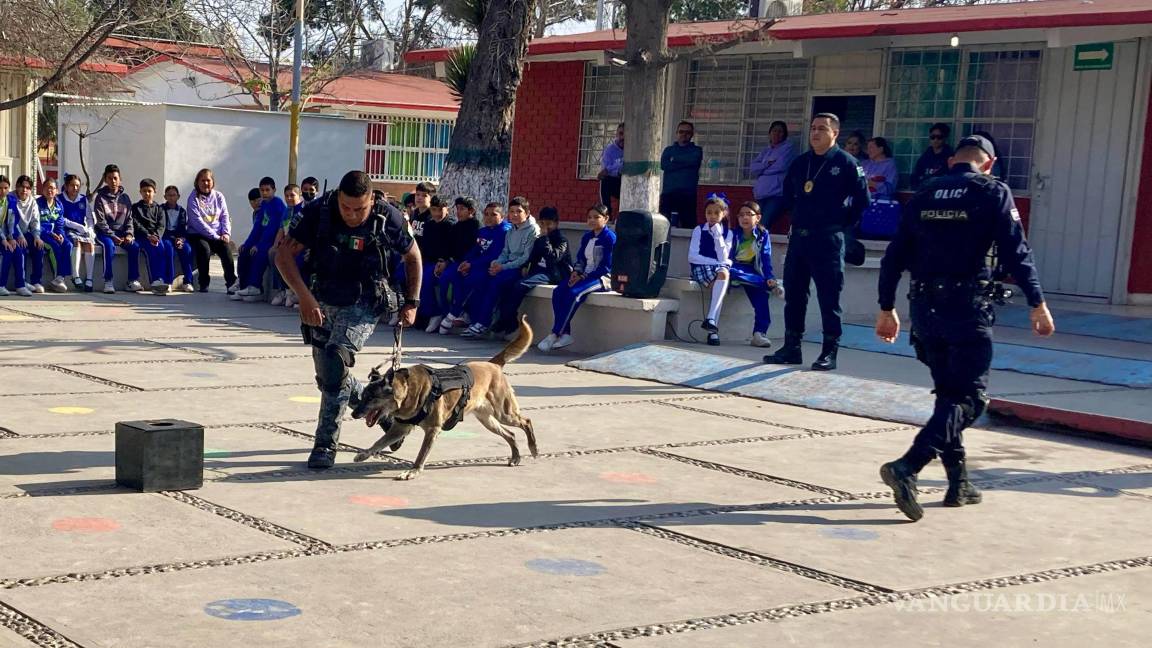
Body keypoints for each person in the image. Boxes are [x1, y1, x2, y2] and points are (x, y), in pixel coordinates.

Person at [875, 134, 1055, 522]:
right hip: (965, 305)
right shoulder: (992, 191)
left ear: (955, 159)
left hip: (923, 307)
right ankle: (908, 465)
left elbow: (894, 256)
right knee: (970, 400)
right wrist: (1037, 303)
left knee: (948, 398)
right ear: (987, 163)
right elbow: (1015, 251)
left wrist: (886, 307)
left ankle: (959, 485)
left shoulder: (924, 192)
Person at [275, 170, 421, 470]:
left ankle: (325, 444)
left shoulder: (387, 217)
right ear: (338, 199)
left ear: (370, 201)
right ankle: (388, 417)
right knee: (329, 377)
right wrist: (303, 296)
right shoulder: (321, 211)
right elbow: (283, 256)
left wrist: (412, 302)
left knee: (335, 359)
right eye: (346, 208)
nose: (352, 215)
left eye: (360, 209)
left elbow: (413, 256)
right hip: (322, 300)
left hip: (365, 302)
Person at [764, 113, 870, 371]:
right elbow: (788, 193)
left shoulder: (846, 163)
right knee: (795, 294)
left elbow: (862, 199)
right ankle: (792, 347)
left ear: (835, 133)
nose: (815, 133)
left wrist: (840, 222)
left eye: (822, 129)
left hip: (828, 238)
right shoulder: (802, 162)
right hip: (800, 238)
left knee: (828, 297)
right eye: (813, 128)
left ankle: (829, 351)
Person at [538, 204, 615, 352]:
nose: (592, 220)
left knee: (575, 293)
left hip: (602, 278)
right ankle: (565, 333)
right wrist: (576, 272)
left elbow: (606, 266)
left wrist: (584, 276)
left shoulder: (609, 238)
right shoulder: (587, 237)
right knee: (559, 291)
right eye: (589, 217)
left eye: (596, 217)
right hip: (583, 276)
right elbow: (581, 258)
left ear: (606, 219)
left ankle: (555, 333)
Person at [462, 196, 540, 339]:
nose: (515, 215)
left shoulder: (532, 230)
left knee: (494, 284)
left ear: (527, 213)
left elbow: (525, 257)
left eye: (519, 211)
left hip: (519, 268)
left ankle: (483, 323)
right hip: (505, 266)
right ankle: (474, 319)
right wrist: (496, 263)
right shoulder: (511, 230)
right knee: (482, 279)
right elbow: (505, 252)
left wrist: (503, 267)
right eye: (512, 211)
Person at [491, 206, 571, 339]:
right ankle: (508, 320)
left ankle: (507, 320)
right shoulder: (539, 240)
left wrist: (545, 238)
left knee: (520, 285)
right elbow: (532, 257)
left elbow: (554, 258)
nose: (546, 227)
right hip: (537, 270)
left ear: (556, 223)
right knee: (508, 283)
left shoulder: (562, 240)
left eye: (549, 224)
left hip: (552, 273)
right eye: (543, 224)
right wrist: (525, 266)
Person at [437, 202, 510, 335]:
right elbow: (475, 250)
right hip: (476, 265)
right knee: (456, 275)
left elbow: (494, 254)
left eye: (493, 215)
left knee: (475, 280)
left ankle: (459, 314)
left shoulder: (504, 231)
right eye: (486, 214)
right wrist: (466, 262)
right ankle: (457, 312)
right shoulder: (482, 231)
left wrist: (472, 265)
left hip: (491, 267)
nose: (488, 218)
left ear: (502, 216)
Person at [729, 201, 783, 348]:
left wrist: (770, 276)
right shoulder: (733, 234)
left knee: (762, 295)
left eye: (749, 214)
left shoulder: (762, 235)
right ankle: (770, 286)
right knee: (740, 275)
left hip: (752, 271)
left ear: (758, 218)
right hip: (733, 268)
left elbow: (766, 257)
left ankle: (759, 333)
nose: (744, 218)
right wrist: (766, 281)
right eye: (741, 215)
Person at [426, 196, 480, 332]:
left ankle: (457, 314)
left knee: (459, 282)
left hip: (468, 263)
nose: (459, 212)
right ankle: (444, 314)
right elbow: (450, 248)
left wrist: (468, 262)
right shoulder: (456, 227)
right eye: (457, 209)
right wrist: (444, 261)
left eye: (462, 209)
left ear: (471, 211)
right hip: (454, 262)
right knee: (443, 279)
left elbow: (475, 249)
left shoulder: (476, 227)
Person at [688, 196, 734, 346]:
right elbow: (693, 256)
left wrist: (718, 236)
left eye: (716, 213)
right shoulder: (699, 230)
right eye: (709, 213)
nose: (712, 216)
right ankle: (712, 329)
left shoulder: (728, 233)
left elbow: (724, 256)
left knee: (723, 275)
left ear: (723, 214)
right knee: (720, 283)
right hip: (701, 266)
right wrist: (716, 262)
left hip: (720, 268)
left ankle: (711, 320)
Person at [235, 177, 288, 303]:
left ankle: (255, 286)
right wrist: (247, 243)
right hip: (262, 240)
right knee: (244, 251)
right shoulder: (263, 205)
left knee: (259, 253)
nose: (264, 193)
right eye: (262, 190)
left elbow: (272, 229)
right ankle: (243, 286)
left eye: (267, 190)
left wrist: (258, 245)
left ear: (274, 190)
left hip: (272, 241)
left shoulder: (277, 205)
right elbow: (257, 228)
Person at [186, 168, 237, 294]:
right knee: (204, 249)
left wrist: (226, 233)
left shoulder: (219, 196)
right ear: (197, 182)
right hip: (197, 234)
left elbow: (225, 215)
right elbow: (197, 222)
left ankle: (231, 283)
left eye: (208, 180)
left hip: (218, 235)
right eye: (202, 180)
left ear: (213, 182)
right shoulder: (193, 198)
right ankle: (203, 283)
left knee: (226, 249)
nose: (205, 183)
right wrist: (214, 236)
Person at [92, 165, 142, 294]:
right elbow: (101, 222)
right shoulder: (100, 198)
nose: (113, 181)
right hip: (105, 234)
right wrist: (113, 236)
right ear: (105, 180)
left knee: (134, 247)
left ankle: (132, 281)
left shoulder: (125, 198)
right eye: (110, 178)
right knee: (108, 246)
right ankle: (108, 281)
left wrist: (129, 234)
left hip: (122, 233)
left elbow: (130, 219)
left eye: (115, 178)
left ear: (120, 179)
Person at [412, 195, 454, 324]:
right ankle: (420, 313)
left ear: (447, 209)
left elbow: (451, 247)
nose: (436, 213)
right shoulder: (429, 225)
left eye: (440, 210)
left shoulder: (450, 226)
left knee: (427, 279)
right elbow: (425, 245)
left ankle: (436, 313)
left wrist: (444, 261)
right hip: (428, 260)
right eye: (434, 210)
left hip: (444, 262)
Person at [130, 178, 174, 295]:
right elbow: (136, 223)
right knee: (135, 248)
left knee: (163, 247)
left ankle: (162, 281)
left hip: (155, 238)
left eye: (149, 191)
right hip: (141, 237)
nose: (147, 194)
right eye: (144, 191)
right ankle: (141, 280)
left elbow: (161, 225)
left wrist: (156, 236)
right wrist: (148, 235)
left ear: (155, 192)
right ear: (140, 192)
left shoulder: (159, 209)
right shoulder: (136, 207)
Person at [749, 121, 796, 228]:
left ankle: (760, 244)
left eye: (780, 131)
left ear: (785, 134)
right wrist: (766, 164)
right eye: (774, 131)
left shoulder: (788, 148)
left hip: (776, 195)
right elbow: (753, 168)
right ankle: (755, 245)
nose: (777, 133)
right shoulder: (766, 150)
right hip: (761, 194)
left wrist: (762, 169)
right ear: (770, 133)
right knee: (754, 224)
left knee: (763, 224)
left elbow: (780, 166)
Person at [1, 175, 42, 296]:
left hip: (14, 234)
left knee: (37, 246)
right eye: (22, 187)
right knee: (12, 250)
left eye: (27, 188)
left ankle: (27, 283)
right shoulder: (12, 198)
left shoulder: (10, 201)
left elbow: (12, 221)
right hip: (7, 235)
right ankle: (5, 284)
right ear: (17, 187)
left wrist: (36, 236)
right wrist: (9, 238)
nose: (24, 190)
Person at [659, 121, 704, 228]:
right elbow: (664, 165)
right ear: (677, 133)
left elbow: (693, 161)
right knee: (664, 225)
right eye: (681, 132)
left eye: (687, 132)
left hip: (688, 194)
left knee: (688, 225)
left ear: (692, 134)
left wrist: (674, 160)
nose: (684, 134)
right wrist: (684, 162)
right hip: (669, 193)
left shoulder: (697, 150)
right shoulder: (668, 150)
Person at [35, 178, 72, 293]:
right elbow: (35, 223)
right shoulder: (38, 203)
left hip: (55, 233)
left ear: (56, 191)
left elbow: (60, 223)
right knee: (54, 247)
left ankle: (60, 278)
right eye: (47, 187)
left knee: (68, 245)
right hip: (42, 234)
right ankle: (57, 276)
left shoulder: (59, 205)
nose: (50, 190)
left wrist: (60, 234)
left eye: (53, 188)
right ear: (43, 189)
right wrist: (51, 234)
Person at [60, 174, 97, 292]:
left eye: (77, 186)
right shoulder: (59, 199)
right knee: (76, 243)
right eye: (72, 185)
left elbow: (90, 218)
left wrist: (90, 229)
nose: (75, 188)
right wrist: (77, 226)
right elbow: (61, 219)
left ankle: (89, 279)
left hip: (82, 230)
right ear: (66, 186)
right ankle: (75, 276)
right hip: (68, 229)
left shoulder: (83, 199)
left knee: (89, 244)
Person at [271, 184, 305, 307]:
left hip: (298, 245)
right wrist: (275, 245)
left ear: (299, 195)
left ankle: (295, 292)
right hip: (286, 244)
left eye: (292, 195)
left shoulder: (302, 209)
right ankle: (284, 290)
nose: (289, 198)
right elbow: (281, 230)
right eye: (287, 196)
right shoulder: (287, 211)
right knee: (273, 254)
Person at [162, 185, 196, 293]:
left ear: (178, 196)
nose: (172, 198)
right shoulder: (161, 209)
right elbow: (161, 227)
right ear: (165, 197)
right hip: (166, 236)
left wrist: (180, 239)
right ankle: (168, 281)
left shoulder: (181, 211)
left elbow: (182, 227)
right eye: (169, 195)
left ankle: (188, 281)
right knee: (168, 249)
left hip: (179, 236)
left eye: (174, 195)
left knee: (187, 250)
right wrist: (174, 238)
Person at [911, 123, 954, 189]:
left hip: (941, 192)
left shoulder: (950, 157)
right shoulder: (925, 156)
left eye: (939, 137)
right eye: (932, 137)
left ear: (945, 138)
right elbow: (915, 176)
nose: (935, 140)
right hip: (925, 191)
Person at [598, 123, 624, 214]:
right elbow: (604, 171)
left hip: (629, 181)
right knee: (605, 180)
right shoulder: (610, 150)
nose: (623, 137)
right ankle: (606, 213)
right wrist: (617, 169)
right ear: (617, 134)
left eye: (626, 135)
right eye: (621, 134)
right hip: (616, 182)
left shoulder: (633, 149)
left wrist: (611, 168)